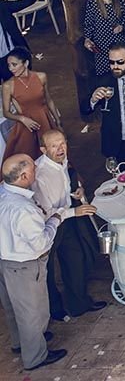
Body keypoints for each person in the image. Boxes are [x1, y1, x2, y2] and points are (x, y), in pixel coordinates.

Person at [0, 154, 67, 370]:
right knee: (32, 312)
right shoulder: (23, 209)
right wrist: (54, 221)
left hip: (5, 259)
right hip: (24, 264)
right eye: (33, 169)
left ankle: (22, 344)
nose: (36, 171)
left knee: (13, 307)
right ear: (24, 175)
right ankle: (35, 356)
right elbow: (41, 244)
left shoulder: (3, 192)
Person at [32, 131, 103, 320]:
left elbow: (65, 186)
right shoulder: (40, 175)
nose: (60, 149)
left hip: (66, 219)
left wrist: (77, 192)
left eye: (62, 143)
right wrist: (74, 212)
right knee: (47, 271)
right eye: (54, 146)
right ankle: (53, 311)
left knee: (75, 259)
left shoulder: (61, 161)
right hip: (46, 226)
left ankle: (79, 304)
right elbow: (46, 211)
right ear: (43, 150)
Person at [2, 48, 62, 162]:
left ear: (26, 63)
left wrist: (58, 122)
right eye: (9, 65)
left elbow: (48, 100)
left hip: (45, 120)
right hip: (26, 126)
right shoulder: (8, 86)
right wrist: (22, 119)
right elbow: (6, 112)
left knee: (52, 154)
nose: (11, 69)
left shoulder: (41, 77)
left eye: (14, 65)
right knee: (30, 158)